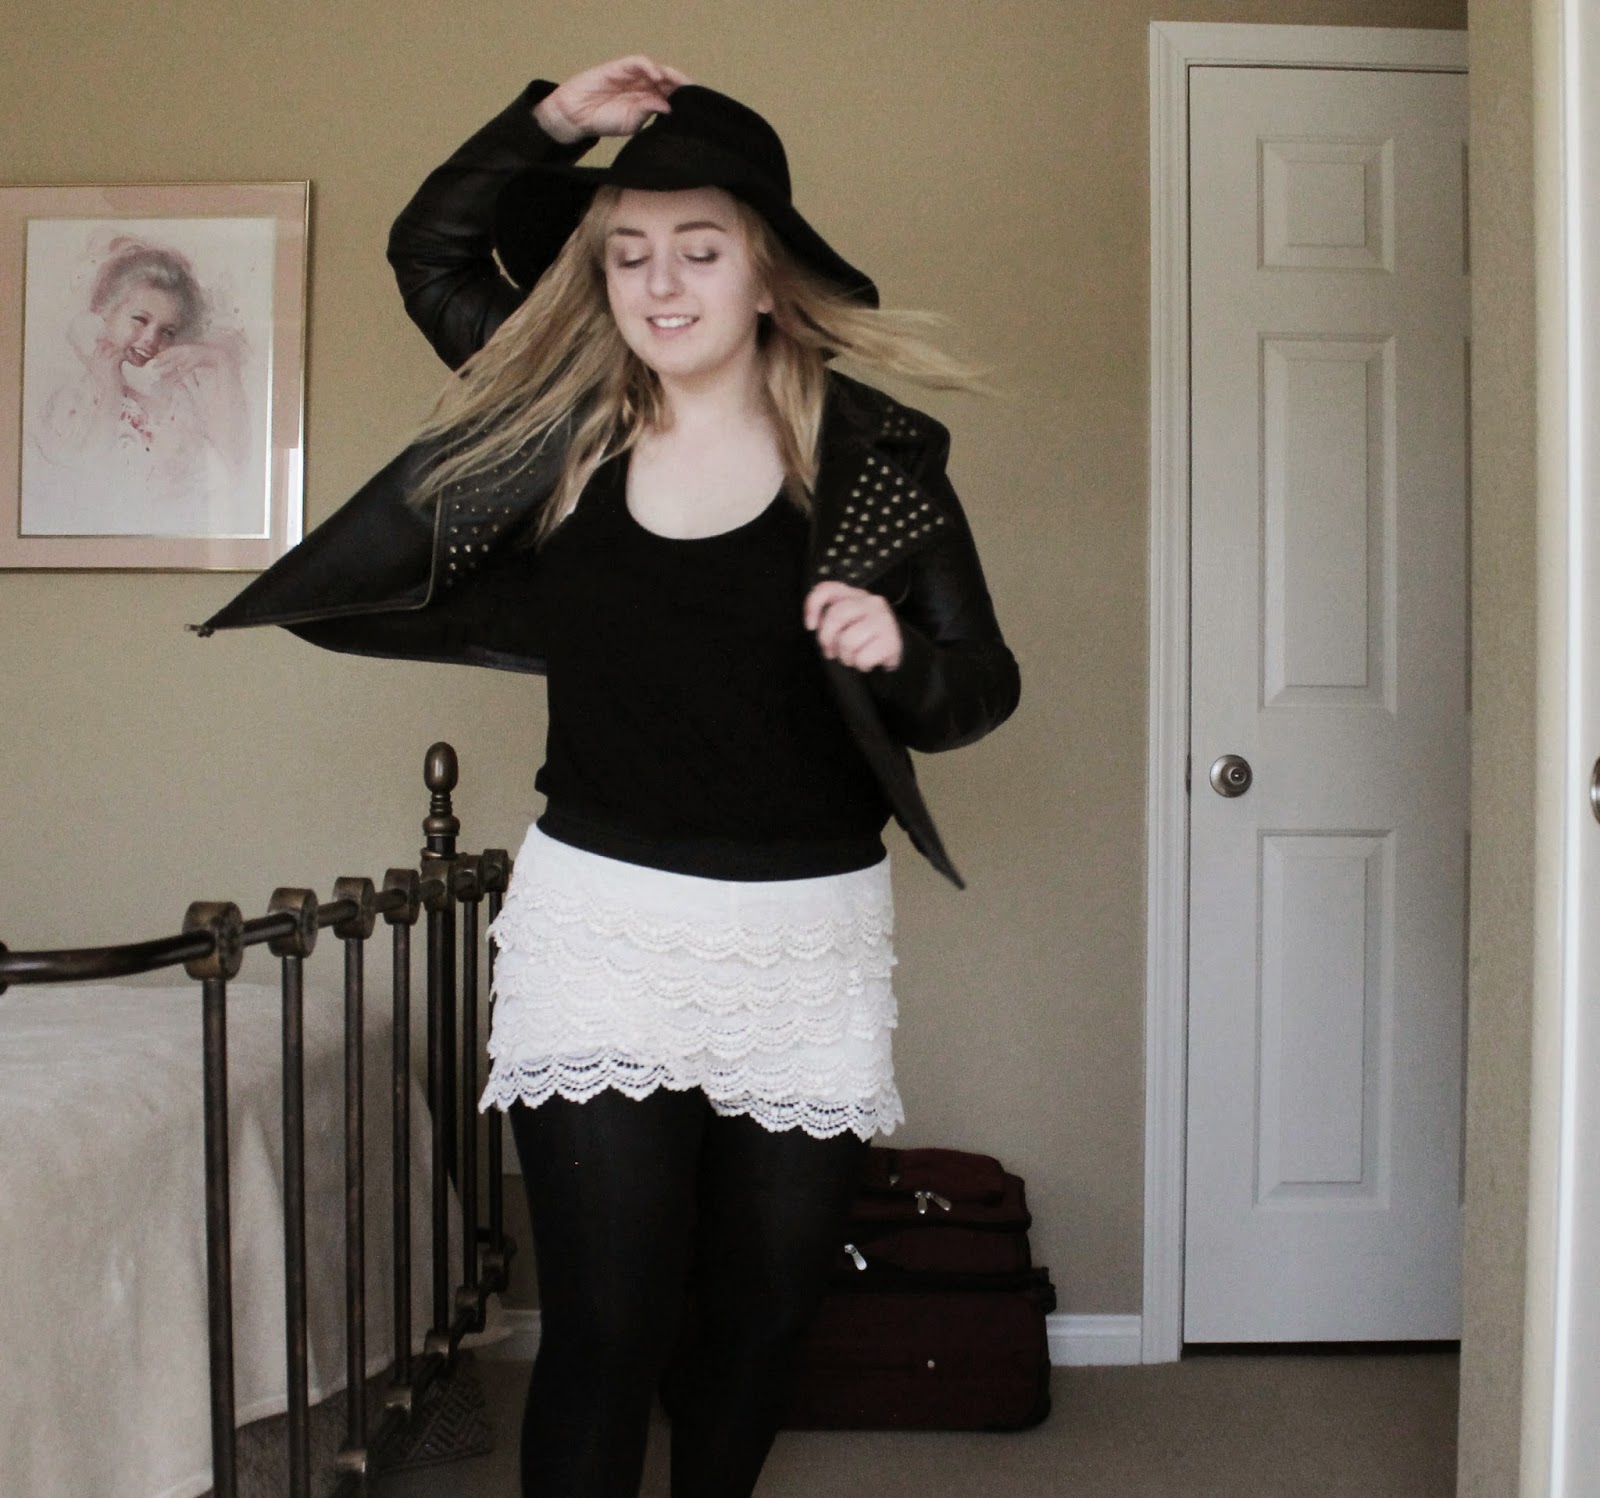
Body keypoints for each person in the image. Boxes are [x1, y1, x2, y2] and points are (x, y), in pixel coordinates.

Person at [199, 54, 1018, 1498]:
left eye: (699, 249)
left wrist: (896, 652)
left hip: (806, 940)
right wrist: (553, 123)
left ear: (767, 275)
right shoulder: (563, 422)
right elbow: (431, 252)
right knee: (606, 1324)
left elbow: (978, 689)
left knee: (761, 1319)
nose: (659, 283)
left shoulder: (875, 459)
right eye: (629, 253)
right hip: (604, 928)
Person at [26, 239, 250, 536]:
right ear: (103, 315)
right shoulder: (75, 398)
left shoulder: (180, 397)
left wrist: (221, 361)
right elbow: (83, 482)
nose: (151, 339)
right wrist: (110, 390)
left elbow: (229, 470)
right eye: (140, 320)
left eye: (167, 332)